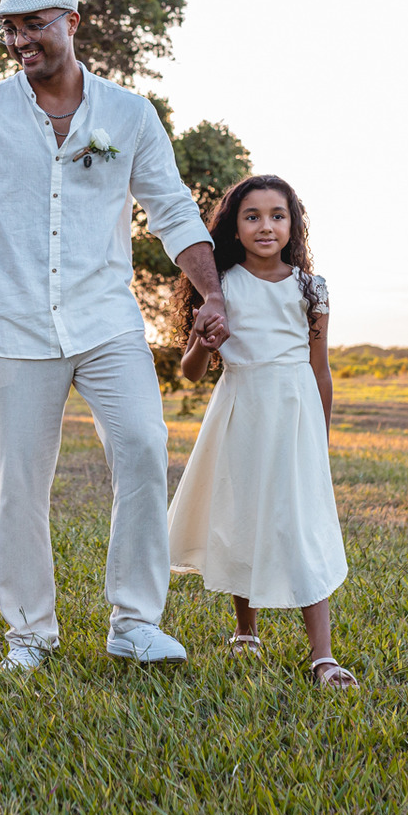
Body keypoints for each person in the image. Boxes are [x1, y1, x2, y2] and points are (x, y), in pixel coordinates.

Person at [0, 0, 230, 673]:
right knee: (21, 482)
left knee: (141, 446)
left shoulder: (128, 114)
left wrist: (212, 294)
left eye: (33, 25)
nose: (19, 40)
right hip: (13, 327)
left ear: (71, 22)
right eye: (9, 29)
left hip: (106, 320)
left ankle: (134, 622)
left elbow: (172, 209)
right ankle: (30, 635)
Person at [166, 176, 356, 688]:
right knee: (240, 515)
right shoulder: (220, 285)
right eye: (252, 216)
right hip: (240, 409)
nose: (265, 225)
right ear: (235, 225)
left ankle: (323, 657)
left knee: (300, 523)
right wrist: (206, 341)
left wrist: (321, 434)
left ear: (293, 224)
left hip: (293, 415)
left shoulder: (310, 287)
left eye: (277, 215)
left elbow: (320, 369)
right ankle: (245, 631)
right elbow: (191, 370)